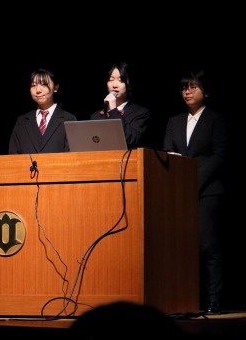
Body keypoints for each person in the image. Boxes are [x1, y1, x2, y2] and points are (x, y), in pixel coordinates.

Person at [162, 70, 228, 315]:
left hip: (207, 192)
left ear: (206, 92)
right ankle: (184, 299)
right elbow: (168, 152)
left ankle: (213, 300)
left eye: (193, 87)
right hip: (179, 193)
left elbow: (219, 155)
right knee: (180, 248)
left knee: (208, 247)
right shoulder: (174, 121)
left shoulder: (216, 119)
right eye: (183, 88)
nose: (187, 91)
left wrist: (193, 182)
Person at [9, 68, 77, 154]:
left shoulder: (68, 119)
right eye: (33, 85)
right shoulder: (22, 121)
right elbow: (13, 155)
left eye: (44, 84)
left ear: (55, 88)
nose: (38, 90)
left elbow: (73, 154)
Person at [90, 61, 150, 149]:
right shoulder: (96, 116)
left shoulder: (140, 113)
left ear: (129, 84)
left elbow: (130, 139)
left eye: (120, 80)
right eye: (111, 80)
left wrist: (113, 110)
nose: (114, 85)